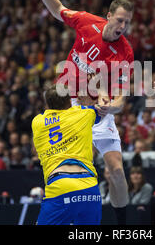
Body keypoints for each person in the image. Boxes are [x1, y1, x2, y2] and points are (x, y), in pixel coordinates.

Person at [33, 0, 134, 224]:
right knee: (67, 166)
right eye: (120, 20)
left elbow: (121, 98)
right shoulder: (87, 22)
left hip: (98, 111)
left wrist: (110, 106)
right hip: (69, 109)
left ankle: (121, 223)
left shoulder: (125, 52)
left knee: (116, 173)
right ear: (109, 16)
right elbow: (58, 9)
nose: (122, 27)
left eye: (127, 23)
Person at [32, 85, 103, 225]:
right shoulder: (84, 114)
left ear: (47, 105)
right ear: (70, 102)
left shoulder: (37, 122)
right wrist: (87, 101)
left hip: (61, 184)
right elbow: (102, 106)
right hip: (89, 186)